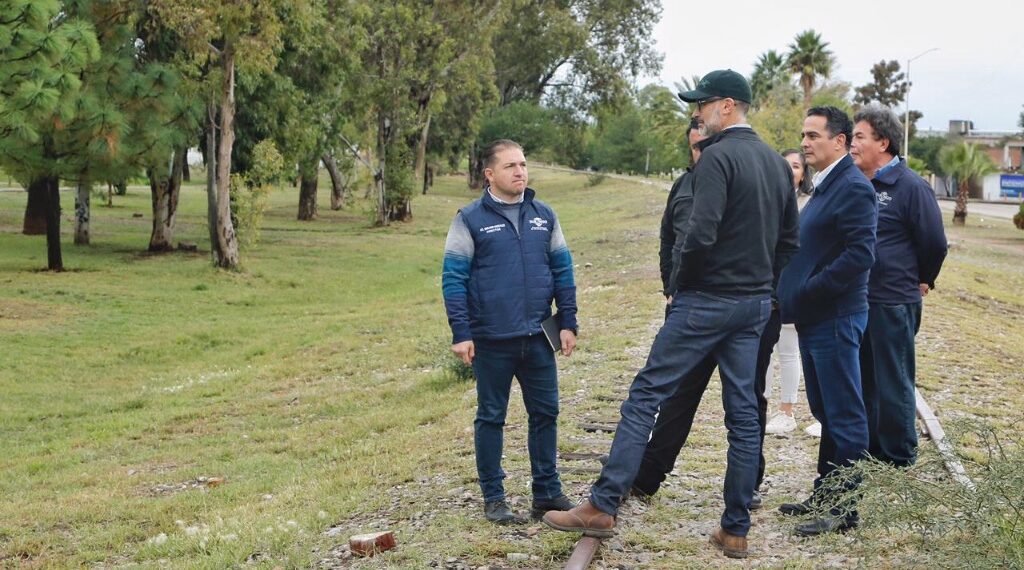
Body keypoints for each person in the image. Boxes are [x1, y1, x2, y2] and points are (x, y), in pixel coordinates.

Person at [543, 69, 799, 560]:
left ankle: (603, 503)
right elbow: (790, 242)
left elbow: (698, 235)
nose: (696, 115)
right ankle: (736, 527)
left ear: (727, 106)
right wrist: (760, 287)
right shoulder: (774, 163)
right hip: (752, 306)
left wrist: (681, 287)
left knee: (646, 395)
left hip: (706, 300)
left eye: (702, 105)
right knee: (744, 415)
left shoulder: (717, 159)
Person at [441, 139, 577, 524]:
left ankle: (547, 494)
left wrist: (568, 321)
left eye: (522, 164)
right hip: (491, 339)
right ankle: (495, 499)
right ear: (490, 174)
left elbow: (563, 271)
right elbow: (453, 278)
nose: (520, 172)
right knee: (491, 417)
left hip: (537, 337)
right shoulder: (469, 219)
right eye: (510, 166)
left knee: (546, 413)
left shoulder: (544, 215)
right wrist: (461, 332)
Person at [776, 106, 878, 537]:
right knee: (825, 410)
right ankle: (826, 492)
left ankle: (845, 509)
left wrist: (808, 289)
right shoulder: (824, 185)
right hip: (815, 317)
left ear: (840, 141)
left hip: (835, 315)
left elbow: (860, 255)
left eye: (814, 135)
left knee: (845, 414)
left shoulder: (853, 187)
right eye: (803, 134)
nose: (805, 142)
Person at [850, 105, 948, 467]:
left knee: (893, 380)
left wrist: (924, 278)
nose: (852, 143)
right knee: (866, 380)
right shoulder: (860, 183)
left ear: (884, 142)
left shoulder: (910, 187)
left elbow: (934, 243)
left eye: (860, 137)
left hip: (893, 300)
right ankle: (874, 449)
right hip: (859, 299)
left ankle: (899, 455)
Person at [763, 150, 810, 436]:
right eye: (785, 165)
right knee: (764, 351)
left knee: (789, 350)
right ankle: (763, 406)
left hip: (793, 283)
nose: (789, 170)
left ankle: (787, 411)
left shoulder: (808, 203)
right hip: (767, 284)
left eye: (796, 166)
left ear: (804, 173)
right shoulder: (768, 199)